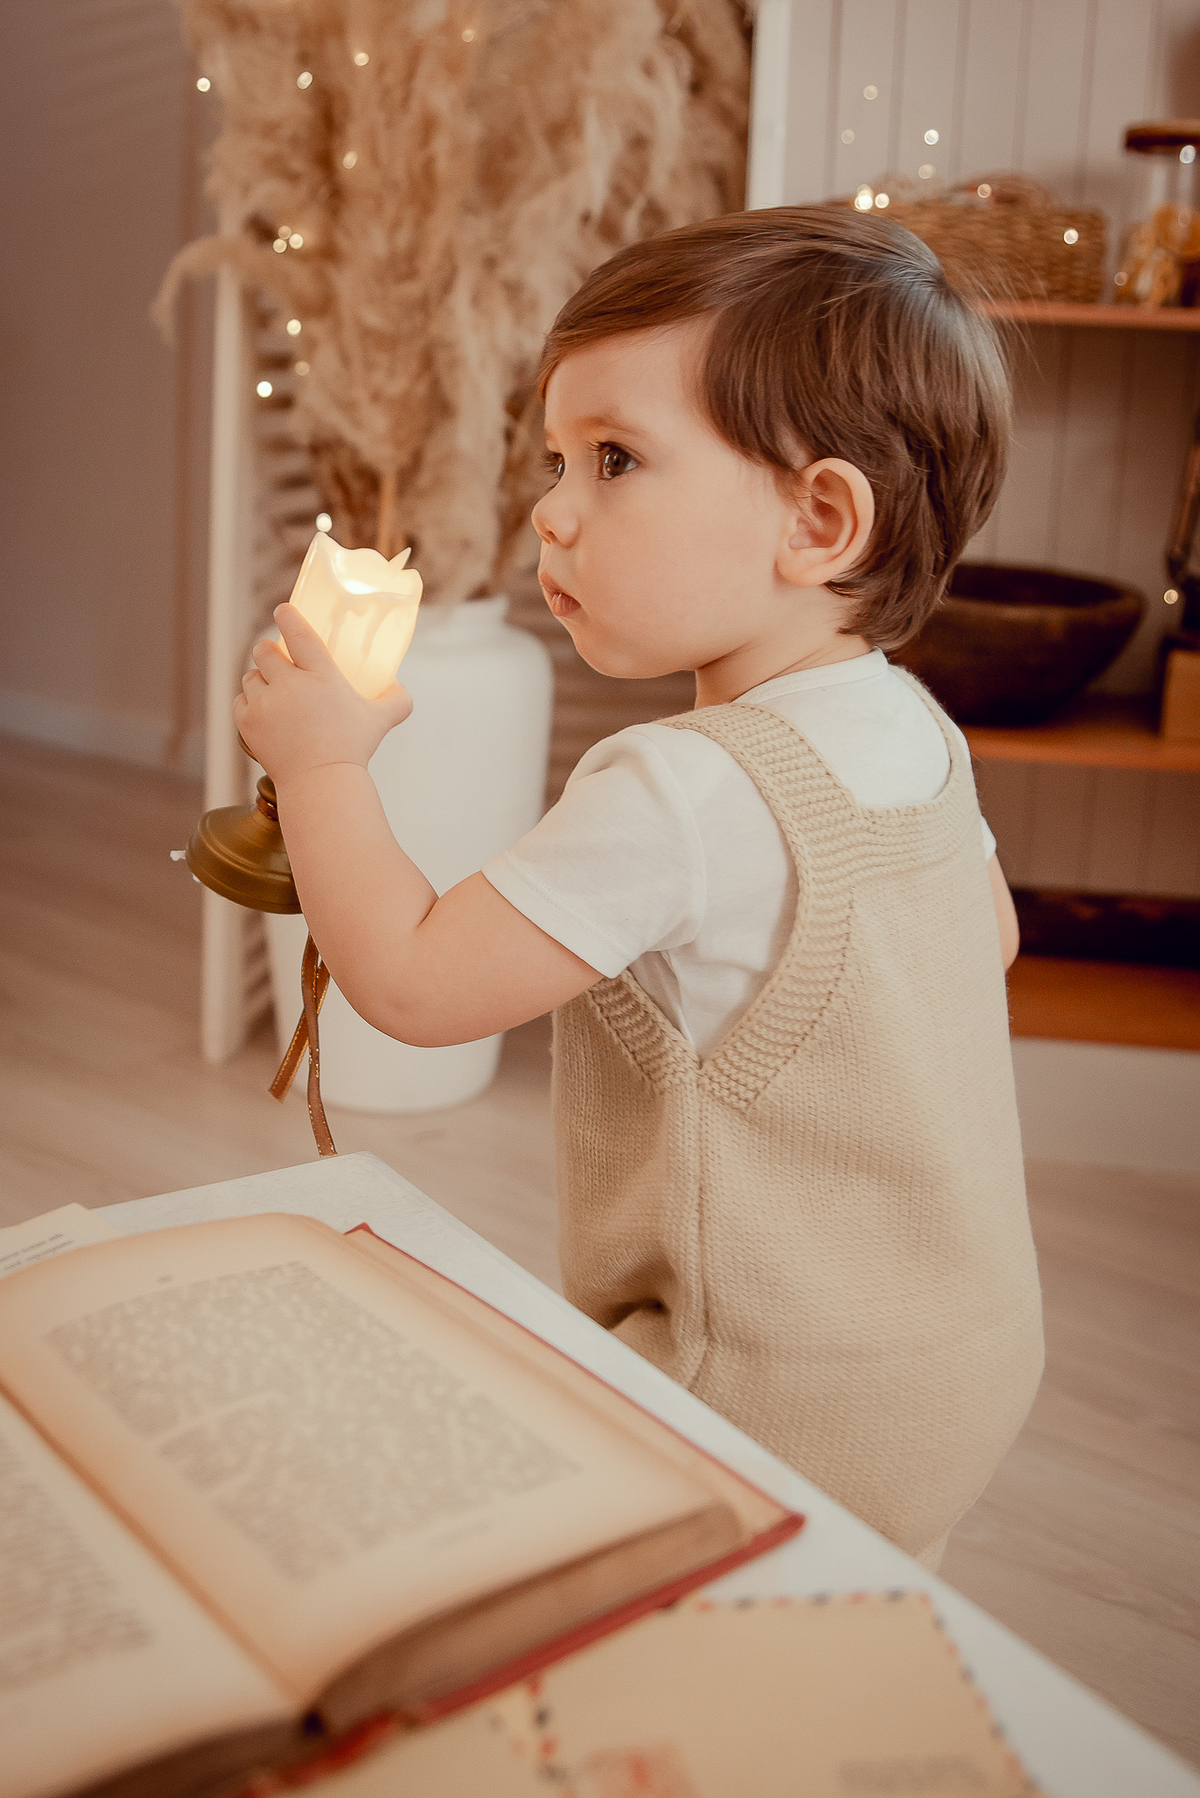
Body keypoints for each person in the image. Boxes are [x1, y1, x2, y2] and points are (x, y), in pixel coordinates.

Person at [237, 207, 1043, 1571]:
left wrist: (320, 768)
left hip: (768, 1392)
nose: (551, 509)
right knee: (847, 1600)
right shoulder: (918, 730)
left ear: (819, 518)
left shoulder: (678, 787)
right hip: (965, 1350)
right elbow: (993, 937)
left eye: (615, 459)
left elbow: (417, 985)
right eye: (555, 459)